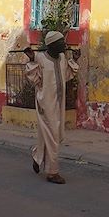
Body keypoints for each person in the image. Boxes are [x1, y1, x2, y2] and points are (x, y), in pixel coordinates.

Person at [23, 30, 78, 184]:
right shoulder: (40, 58)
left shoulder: (61, 58)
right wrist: (33, 60)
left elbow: (66, 75)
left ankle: (37, 155)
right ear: (52, 45)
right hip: (45, 104)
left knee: (51, 135)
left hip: (59, 104)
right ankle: (52, 172)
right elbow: (35, 80)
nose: (65, 45)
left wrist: (74, 60)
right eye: (61, 43)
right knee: (53, 135)